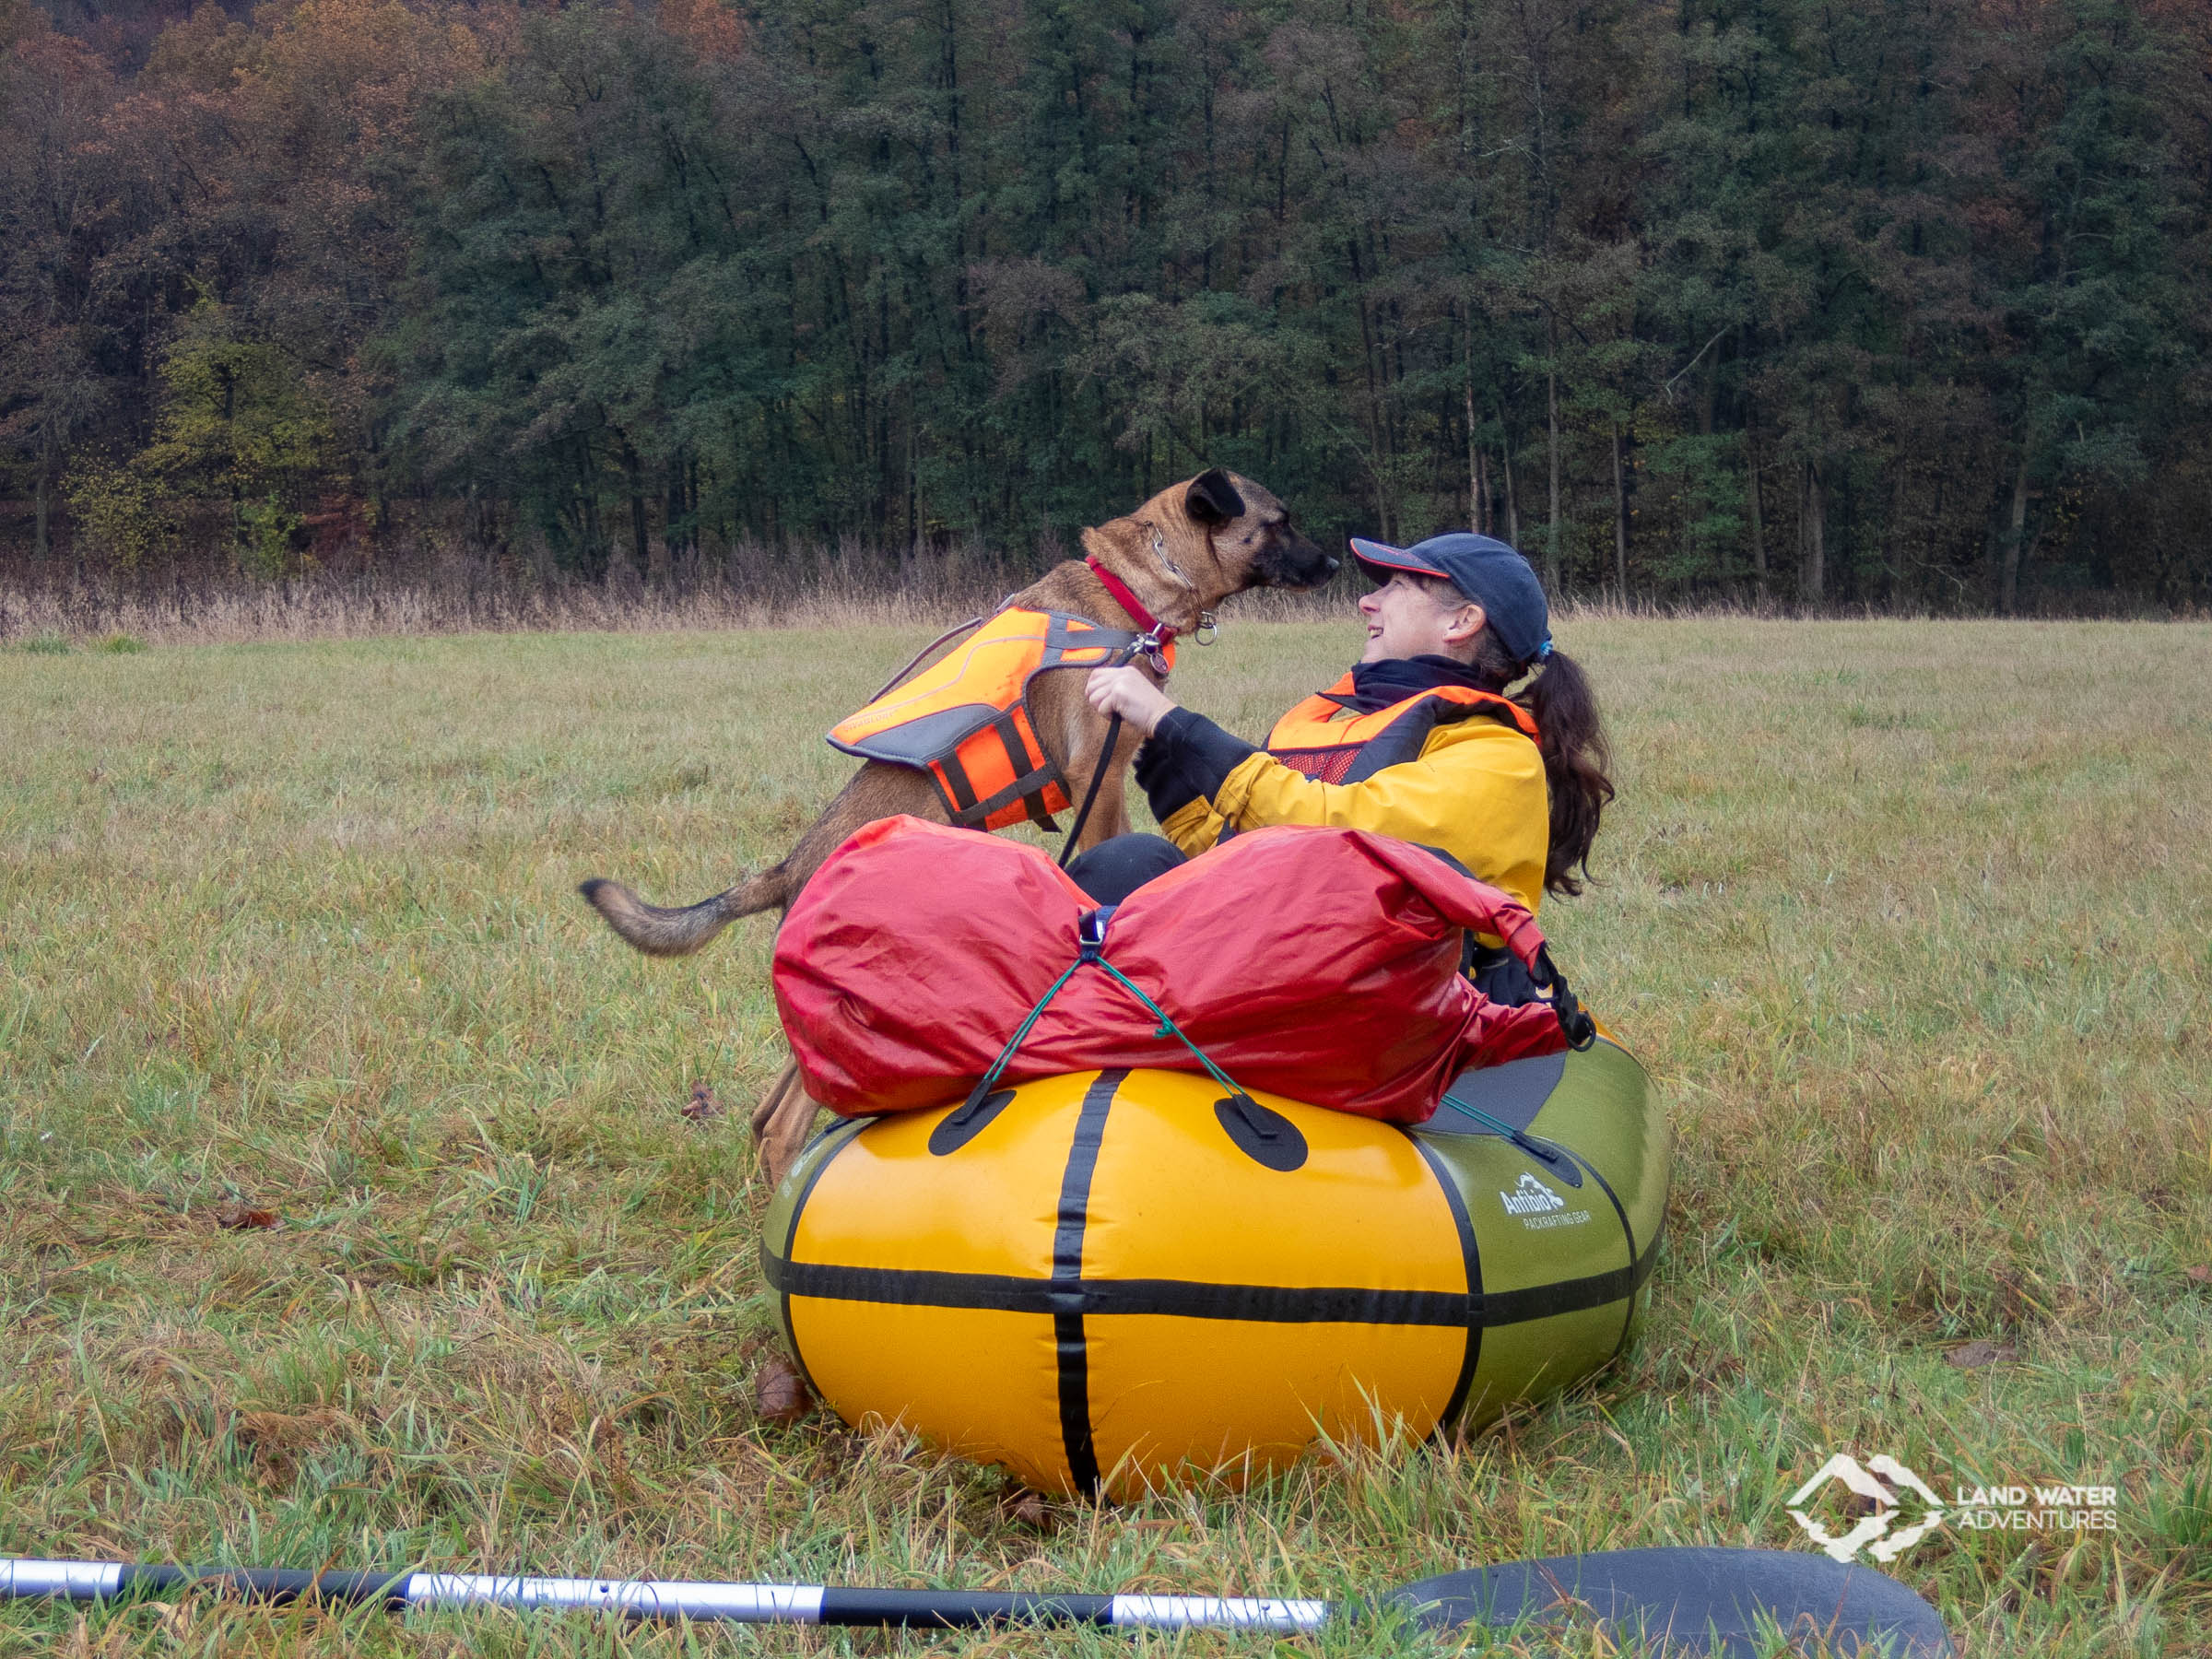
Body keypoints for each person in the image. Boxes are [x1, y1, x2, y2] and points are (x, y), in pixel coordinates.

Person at [1074, 531, 1614, 1004]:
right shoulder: (1338, 719)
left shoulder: (1498, 758)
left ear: (1463, 621)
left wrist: (1179, 727)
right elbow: (1249, 858)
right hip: (1288, 961)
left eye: (1396, 588)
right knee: (1126, 863)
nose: (1366, 601)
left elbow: (1337, 837)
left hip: (1388, 1002)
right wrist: (1168, 771)